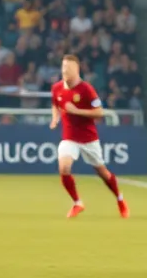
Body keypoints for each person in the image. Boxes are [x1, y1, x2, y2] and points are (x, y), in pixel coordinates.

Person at [50, 55, 129, 219]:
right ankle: (77, 203)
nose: (65, 71)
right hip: (69, 137)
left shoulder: (86, 89)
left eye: (68, 68)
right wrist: (55, 118)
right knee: (64, 168)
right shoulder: (57, 88)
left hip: (88, 139)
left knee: (103, 173)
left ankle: (120, 199)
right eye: (63, 67)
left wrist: (76, 111)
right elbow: (55, 104)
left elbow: (99, 112)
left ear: (76, 70)